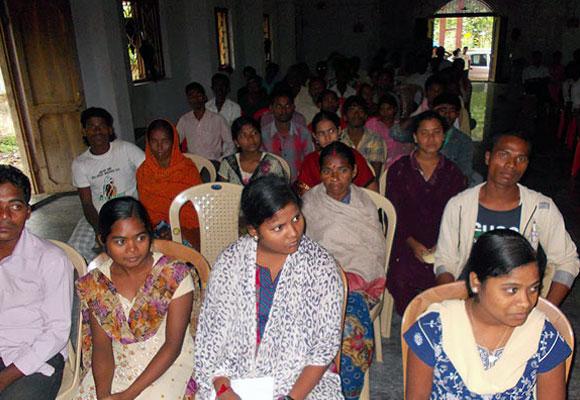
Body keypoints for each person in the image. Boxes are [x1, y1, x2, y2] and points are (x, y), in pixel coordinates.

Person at [194, 175, 344, 400]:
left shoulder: (320, 267)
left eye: (296, 218)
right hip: (235, 376)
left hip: (301, 382)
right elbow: (212, 338)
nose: (293, 233)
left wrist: (291, 398)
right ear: (254, 231)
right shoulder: (231, 263)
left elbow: (324, 347)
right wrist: (224, 390)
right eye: (278, 228)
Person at [405, 229, 570, 399]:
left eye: (534, 288)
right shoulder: (435, 329)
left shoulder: (542, 336)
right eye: (512, 290)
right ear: (476, 282)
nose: (526, 302)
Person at [75, 197, 200, 400]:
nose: (132, 249)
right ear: (102, 240)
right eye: (120, 241)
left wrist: (129, 394)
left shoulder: (173, 275)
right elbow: (102, 348)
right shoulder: (96, 284)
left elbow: (173, 346)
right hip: (118, 363)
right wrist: (104, 394)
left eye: (140, 238)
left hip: (169, 363)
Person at [434, 132, 580, 306]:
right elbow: (445, 259)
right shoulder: (459, 205)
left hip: (517, 304)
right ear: (488, 157)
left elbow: (567, 260)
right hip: (468, 298)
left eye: (521, 159)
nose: (511, 165)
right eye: (504, 155)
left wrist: (548, 312)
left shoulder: (541, 208)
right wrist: (453, 302)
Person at [302, 142, 386, 399]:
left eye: (342, 170)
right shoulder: (309, 201)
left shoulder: (365, 205)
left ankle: (346, 391)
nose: (335, 178)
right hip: (316, 279)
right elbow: (301, 245)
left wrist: (346, 277)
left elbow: (372, 250)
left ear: (354, 172)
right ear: (320, 172)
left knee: (349, 330)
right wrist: (325, 273)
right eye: (328, 170)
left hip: (355, 282)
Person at [0, 165, 73, 399]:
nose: (5, 216)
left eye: (15, 206)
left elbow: (57, 333)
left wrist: (4, 378)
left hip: (35, 356)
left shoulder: (51, 260)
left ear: (28, 212)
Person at [386, 111, 466, 315]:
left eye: (436, 133)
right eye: (424, 133)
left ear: (444, 136)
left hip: (442, 243)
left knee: (451, 280)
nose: (431, 139)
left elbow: (457, 217)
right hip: (406, 241)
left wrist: (441, 246)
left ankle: (436, 323)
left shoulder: (454, 173)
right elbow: (395, 214)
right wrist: (413, 245)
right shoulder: (399, 170)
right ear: (414, 137)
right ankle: (412, 321)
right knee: (401, 276)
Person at [69, 107, 145, 263]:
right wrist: (100, 230)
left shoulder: (126, 149)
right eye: (91, 126)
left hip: (129, 211)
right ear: (84, 132)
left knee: (133, 243)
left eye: (102, 126)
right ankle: (102, 274)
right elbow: (87, 203)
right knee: (75, 248)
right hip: (97, 215)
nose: (97, 131)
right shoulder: (80, 163)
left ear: (110, 129)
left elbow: (150, 174)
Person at [136, 119, 202, 248]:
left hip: (186, 227)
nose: (159, 147)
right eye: (154, 141)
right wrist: (158, 229)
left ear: (174, 142)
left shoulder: (187, 168)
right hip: (154, 228)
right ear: (148, 143)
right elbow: (147, 211)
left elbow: (196, 207)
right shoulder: (143, 171)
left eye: (165, 141)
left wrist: (176, 231)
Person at [296, 111, 377, 195]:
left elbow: (370, 186)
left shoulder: (352, 155)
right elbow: (304, 193)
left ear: (339, 131)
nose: (327, 137)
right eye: (321, 133)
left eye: (331, 131)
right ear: (315, 136)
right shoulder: (310, 161)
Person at [218, 116, 288, 185]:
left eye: (254, 133)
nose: (251, 139)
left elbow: (280, 193)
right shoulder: (228, 164)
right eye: (244, 135)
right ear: (236, 142)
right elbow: (222, 191)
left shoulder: (272, 164)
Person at [176, 82, 236, 162]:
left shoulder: (218, 119)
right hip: (192, 164)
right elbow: (175, 142)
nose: (195, 99)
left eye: (198, 95)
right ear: (188, 100)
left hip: (213, 163)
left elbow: (230, 144)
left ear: (204, 97)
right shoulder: (184, 120)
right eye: (191, 96)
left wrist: (220, 160)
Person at [261, 90, 314, 179]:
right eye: (279, 106)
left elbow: (308, 162)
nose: (283, 110)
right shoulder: (263, 134)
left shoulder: (303, 133)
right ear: (271, 108)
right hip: (272, 184)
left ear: (293, 108)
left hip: (298, 184)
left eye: (287, 106)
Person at [431, 93, 478, 184]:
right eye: (442, 110)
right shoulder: (422, 134)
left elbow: (464, 172)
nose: (447, 114)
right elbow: (399, 133)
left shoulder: (463, 141)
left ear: (457, 114)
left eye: (452, 110)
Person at [340, 95, 387, 178]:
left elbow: (374, 175)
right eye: (352, 110)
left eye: (360, 110)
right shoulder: (339, 139)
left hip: (367, 186)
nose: (356, 114)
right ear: (345, 116)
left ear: (365, 116)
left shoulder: (374, 139)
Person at [365, 94, 414, 169]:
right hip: (376, 166)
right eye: (382, 109)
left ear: (395, 109)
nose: (385, 113)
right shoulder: (372, 124)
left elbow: (408, 149)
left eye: (389, 109)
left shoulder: (400, 127)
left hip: (399, 167)